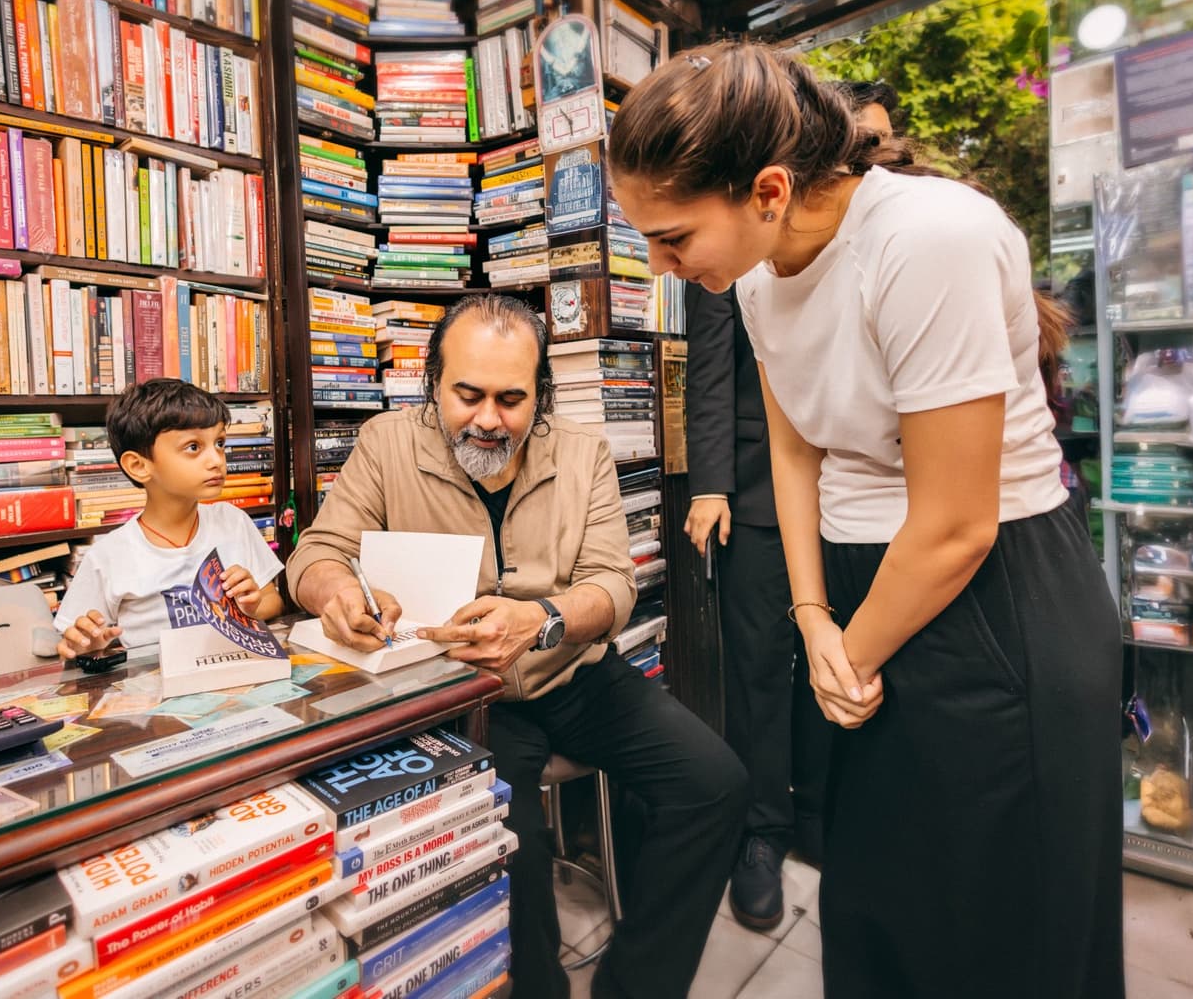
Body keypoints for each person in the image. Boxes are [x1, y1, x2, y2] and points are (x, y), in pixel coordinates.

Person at [608, 41, 1123, 999]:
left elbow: (956, 525)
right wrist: (813, 616)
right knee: (880, 914)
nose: (662, 264)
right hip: (862, 592)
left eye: (672, 237)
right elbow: (796, 442)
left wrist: (851, 647)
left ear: (767, 189)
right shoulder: (757, 275)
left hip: (992, 602)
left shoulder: (928, 238)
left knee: (996, 932)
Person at [286, 294, 749, 999]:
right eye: (466, 395)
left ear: (542, 396)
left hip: (577, 673)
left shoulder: (582, 452)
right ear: (432, 384)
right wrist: (334, 592)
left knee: (715, 784)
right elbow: (317, 552)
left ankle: (635, 984)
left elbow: (612, 586)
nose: (488, 419)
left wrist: (543, 620)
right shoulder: (387, 443)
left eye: (512, 399)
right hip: (467, 694)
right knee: (512, 846)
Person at [683, 77, 898, 929]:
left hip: (875, 501)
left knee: (852, 668)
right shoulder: (747, 257)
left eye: (879, 144)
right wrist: (710, 481)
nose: (867, 158)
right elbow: (709, 359)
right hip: (763, 484)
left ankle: (826, 821)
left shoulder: (900, 241)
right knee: (763, 670)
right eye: (858, 140)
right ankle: (762, 833)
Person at [55, 379, 284, 657]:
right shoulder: (108, 556)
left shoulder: (233, 522)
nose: (216, 460)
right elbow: (71, 643)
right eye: (193, 447)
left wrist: (249, 607)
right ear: (138, 466)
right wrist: (88, 644)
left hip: (231, 672)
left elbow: (273, 600)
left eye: (220, 443)